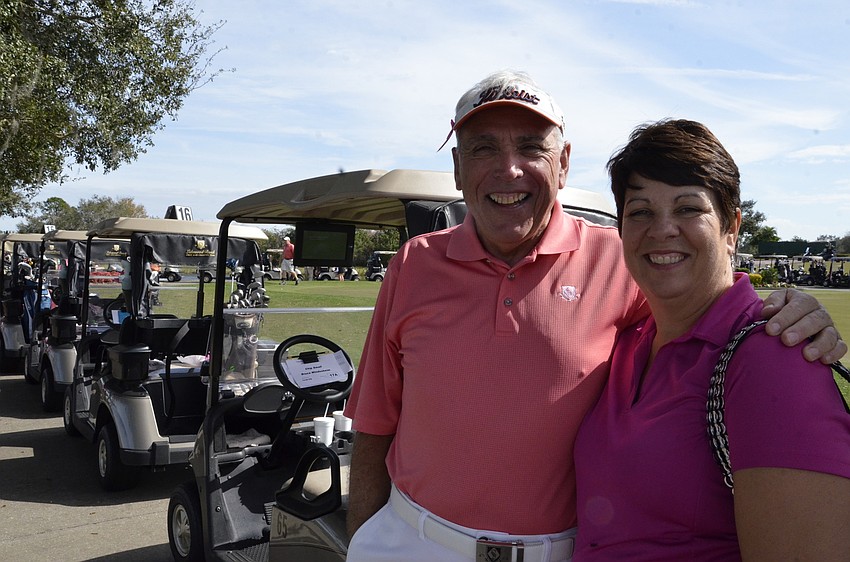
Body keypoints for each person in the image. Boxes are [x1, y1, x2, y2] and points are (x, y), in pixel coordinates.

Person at [343, 71, 846, 562]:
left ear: (562, 163)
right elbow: (374, 423)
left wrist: (789, 311)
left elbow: (711, 307)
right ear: (457, 167)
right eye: (483, 148)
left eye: (531, 147)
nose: (509, 169)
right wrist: (361, 540)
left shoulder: (626, 258)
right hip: (411, 539)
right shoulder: (413, 263)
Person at [573, 119, 850, 560]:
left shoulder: (771, 358)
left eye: (688, 208)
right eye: (640, 211)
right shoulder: (627, 341)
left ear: (731, 227)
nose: (662, 229)